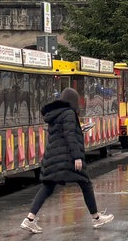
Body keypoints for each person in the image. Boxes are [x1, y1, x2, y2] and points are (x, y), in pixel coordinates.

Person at [20, 87, 114, 233]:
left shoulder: (56, 114)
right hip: (67, 157)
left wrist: (79, 130)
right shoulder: (69, 113)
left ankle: (29, 219)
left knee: (47, 186)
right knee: (86, 183)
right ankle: (96, 218)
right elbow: (70, 136)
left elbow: (62, 133)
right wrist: (77, 156)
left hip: (54, 156)